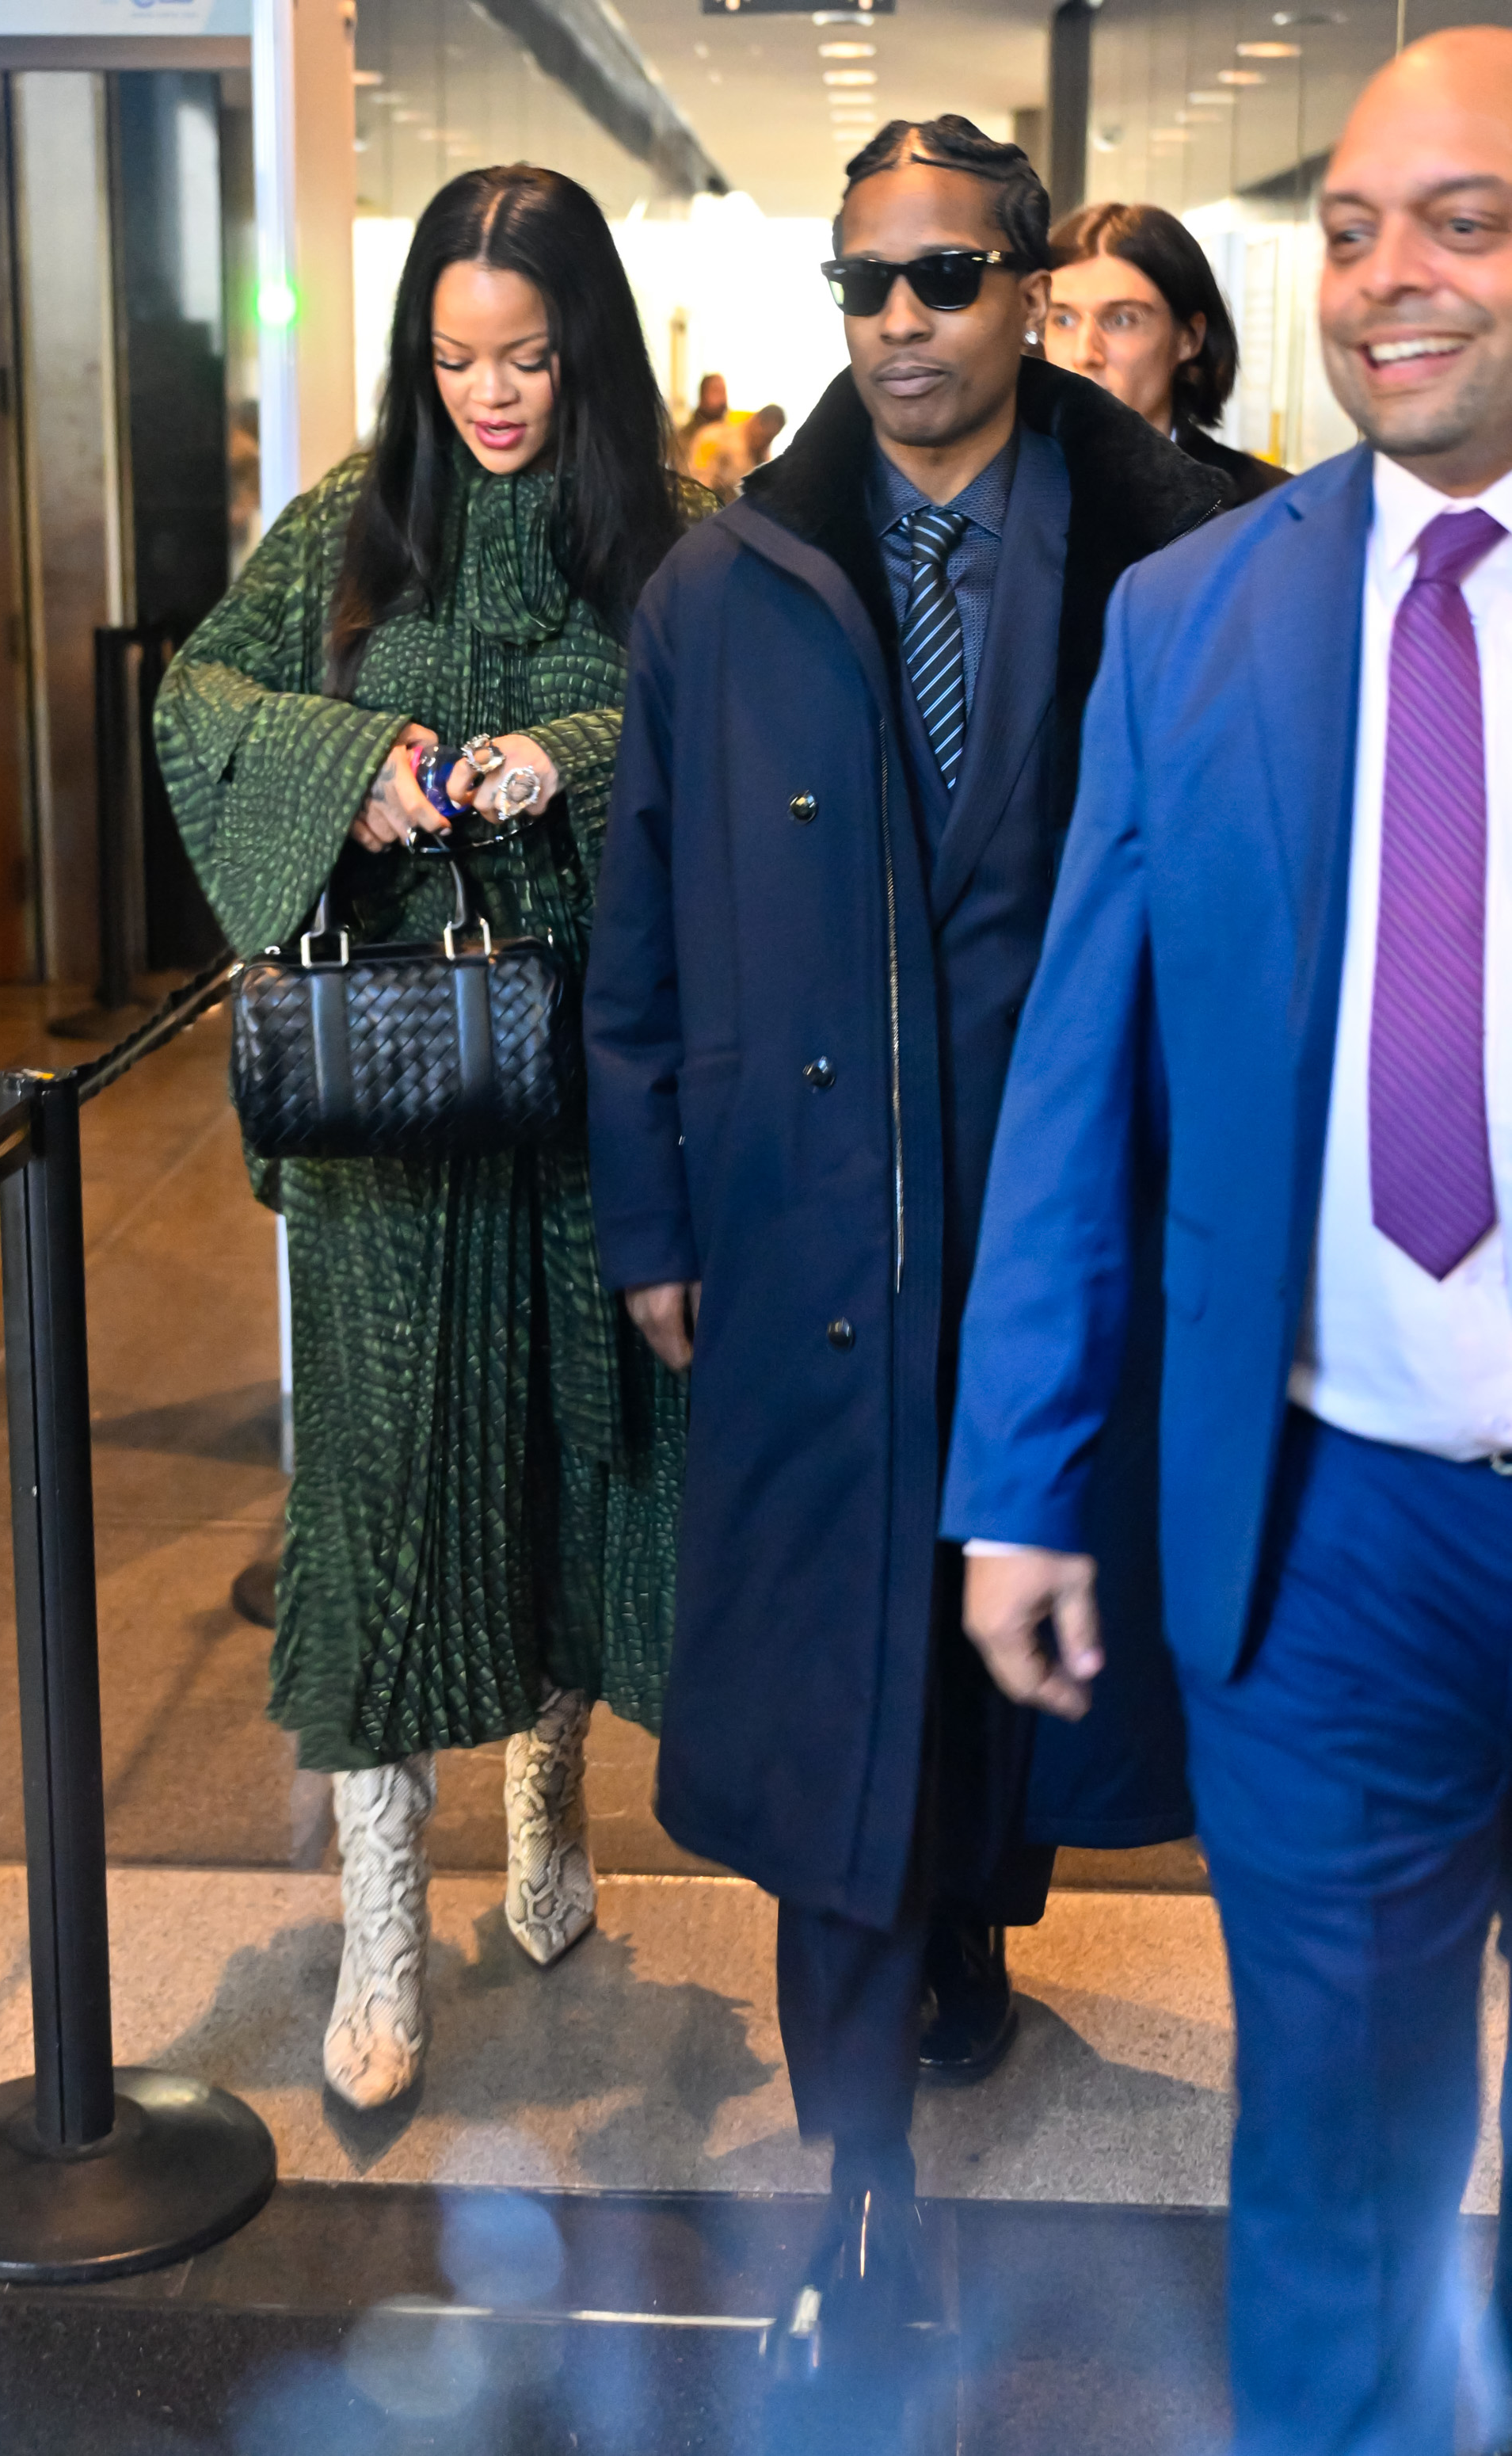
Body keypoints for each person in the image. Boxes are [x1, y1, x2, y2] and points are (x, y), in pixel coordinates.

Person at [585, 114, 1223, 2363]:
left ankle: (977, 1914)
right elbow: (639, 936)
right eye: (861, 282)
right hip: (809, 1236)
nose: (895, 323)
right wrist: (653, 1211)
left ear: (1028, 285)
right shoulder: (724, 584)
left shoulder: (1170, 558)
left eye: (943, 278)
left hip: (1061, 1233)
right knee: (840, 1698)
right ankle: (854, 2165)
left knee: (1014, 1654)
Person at [949, 31, 1512, 2456]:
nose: (1389, 278)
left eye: (1462, 220)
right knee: (1333, 2163)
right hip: (1332, 1538)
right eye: (1352, 224)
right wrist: (1014, 1471)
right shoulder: (1194, 623)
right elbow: (1076, 1086)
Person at [156, 164, 709, 2111]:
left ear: (586, 352)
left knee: (573, 1451)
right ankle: (382, 1915)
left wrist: (570, 749)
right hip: (395, 1091)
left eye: (529, 356)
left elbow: (740, 727)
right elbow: (197, 703)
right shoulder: (353, 523)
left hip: (585, 1092)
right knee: (390, 1489)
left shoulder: (660, 537)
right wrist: (356, 764)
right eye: (456, 355)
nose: (491, 394)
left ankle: (546, 1813)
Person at [1045, 200, 1286, 506]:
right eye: (1063, 320)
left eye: (1122, 319)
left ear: (1189, 337)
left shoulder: (1263, 506)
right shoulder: (994, 492)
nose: (1085, 353)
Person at [688, 402, 787, 500]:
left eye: (770, 439)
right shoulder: (715, 438)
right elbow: (698, 479)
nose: (765, 444)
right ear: (756, 422)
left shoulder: (761, 453)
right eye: (765, 438)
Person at [675, 370, 728, 468]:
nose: (722, 399)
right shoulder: (686, 437)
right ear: (702, 396)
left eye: (723, 392)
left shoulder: (732, 433)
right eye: (716, 391)